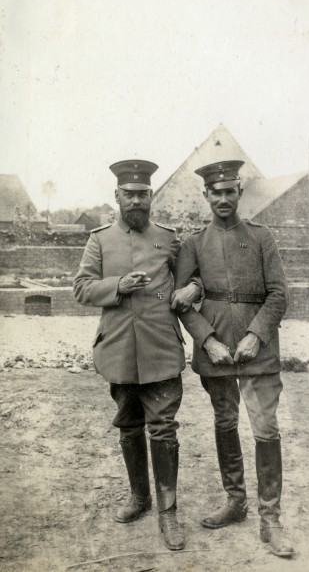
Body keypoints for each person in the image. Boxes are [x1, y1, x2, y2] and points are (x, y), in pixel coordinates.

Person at [73, 159, 200, 551]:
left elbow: (191, 278)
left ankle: (169, 512)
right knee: (129, 427)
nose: (136, 201)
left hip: (161, 349)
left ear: (151, 196)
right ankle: (140, 497)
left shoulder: (169, 238)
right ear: (116, 197)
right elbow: (81, 288)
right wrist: (118, 286)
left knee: (163, 430)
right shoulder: (99, 240)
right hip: (119, 352)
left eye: (143, 194)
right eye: (129, 194)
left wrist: (194, 288)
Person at [173, 160, 294, 558]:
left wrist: (257, 335)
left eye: (230, 191)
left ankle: (270, 518)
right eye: (216, 192)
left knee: (265, 429)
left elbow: (279, 294)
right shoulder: (192, 243)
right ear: (205, 196)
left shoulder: (262, 238)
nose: (223, 198)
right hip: (217, 354)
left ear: (240, 193)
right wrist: (207, 341)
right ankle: (236, 500)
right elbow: (182, 304)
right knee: (225, 422)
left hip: (256, 353)